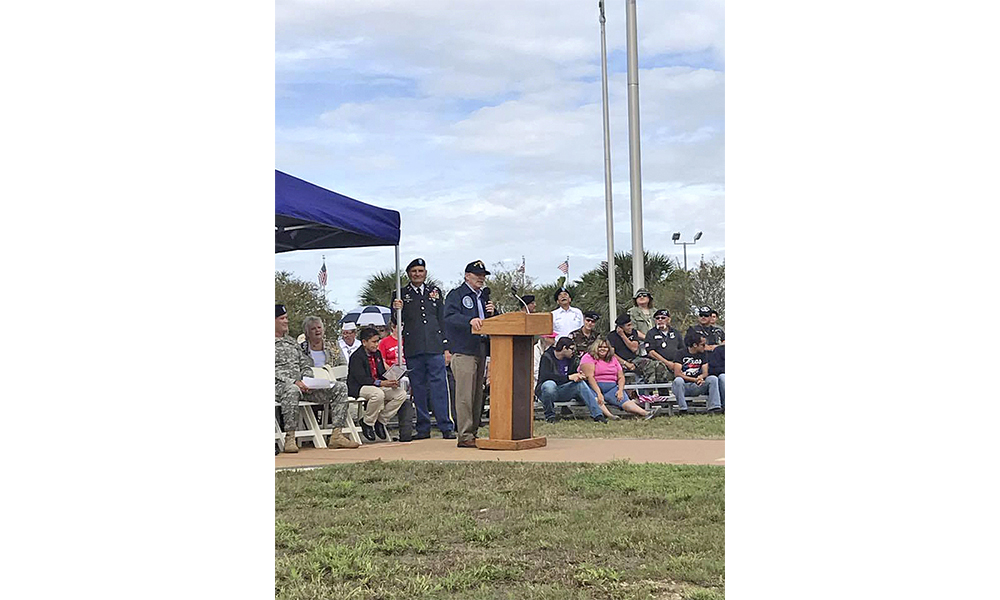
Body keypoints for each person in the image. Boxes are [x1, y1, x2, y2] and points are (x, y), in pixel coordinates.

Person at [275, 305, 358, 453]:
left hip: (302, 384)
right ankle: (290, 438)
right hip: (280, 385)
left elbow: (304, 363)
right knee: (292, 390)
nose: (286, 321)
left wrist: (308, 379)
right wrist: (294, 382)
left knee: (339, 388)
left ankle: (336, 435)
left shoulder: (292, 343)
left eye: (286, 318)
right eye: (282, 319)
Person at [390, 257, 456, 440]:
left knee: (439, 387)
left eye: (420, 271)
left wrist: (446, 346)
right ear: (408, 274)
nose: (417, 274)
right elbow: (396, 321)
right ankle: (423, 427)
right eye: (414, 271)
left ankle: (446, 426)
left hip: (434, 346)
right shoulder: (400, 293)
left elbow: (441, 319)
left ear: (425, 273)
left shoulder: (434, 291)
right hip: (414, 347)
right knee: (418, 388)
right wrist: (397, 309)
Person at [444, 260, 496, 448]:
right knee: (465, 394)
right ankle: (464, 434)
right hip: (463, 349)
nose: (481, 278)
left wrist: (493, 312)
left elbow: (490, 322)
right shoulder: (457, 295)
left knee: (477, 394)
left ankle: (473, 431)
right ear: (467, 276)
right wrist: (469, 320)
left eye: (483, 275)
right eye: (477, 275)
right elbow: (449, 318)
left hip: (481, 347)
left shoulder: (483, 297)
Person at [347, 326, 410, 441]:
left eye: (378, 342)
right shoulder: (356, 357)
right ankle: (368, 422)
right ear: (364, 342)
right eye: (374, 342)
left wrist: (391, 380)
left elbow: (380, 372)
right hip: (360, 387)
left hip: (377, 385)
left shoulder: (377, 354)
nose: (376, 345)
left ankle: (381, 420)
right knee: (378, 394)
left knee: (401, 394)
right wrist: (382, 383)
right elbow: (362, 379)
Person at [579, 338, 660, 420]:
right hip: (593, 387)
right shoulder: (588, 357)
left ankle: (646, 413)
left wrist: (620, 390)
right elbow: (590, 377)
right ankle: (610, 416)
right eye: (600, 347)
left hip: (611, 387)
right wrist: (599, 393)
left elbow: (621, 376)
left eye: (605, 347)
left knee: (624, 400)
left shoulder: (613, 359)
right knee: (596, 399)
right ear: (595, 347)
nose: (602, 349)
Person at [536, 337, 607, 423]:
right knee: (549, 385)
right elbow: (545, 376)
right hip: (546, 393)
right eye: (571, 349)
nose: (573, 352)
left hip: (563, 390)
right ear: (564, 348)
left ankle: (598, 415)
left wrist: (578, 376)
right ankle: (550, 416)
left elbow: (573, 374)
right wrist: (569, 377)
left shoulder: (571, 359)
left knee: (580, 384)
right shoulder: (547, 357)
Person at [608, 314, 671, 389]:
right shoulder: (612, 336)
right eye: (628, 325)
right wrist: (625, 363)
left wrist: (623, 336)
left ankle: (658, 392)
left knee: (657, 365)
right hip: (620, 362)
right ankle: (646, 392)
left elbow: (634, 348)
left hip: (634, 359)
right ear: (620, 327)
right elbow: (612, 354)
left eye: (631, 325)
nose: (630, 327)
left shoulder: (633, 332)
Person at [671, 333, 723, 414]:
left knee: (713, 379)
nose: (705, 347)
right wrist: (694, 379)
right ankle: (683, 409)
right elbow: (677, 373)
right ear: (695, 345)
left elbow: (705, 372)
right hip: (684, 386)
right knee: (678, 380)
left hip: (698, 384)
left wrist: (701, 377)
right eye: (702, 345)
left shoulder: (703, 354)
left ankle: (714, 407)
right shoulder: (680, 353)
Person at [643, 309, 684, 378]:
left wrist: (677, 364)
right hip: (659, 364)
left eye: (663, 318)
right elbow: (651, 352)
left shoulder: (676, 333)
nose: (660, 320)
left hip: (675, 363)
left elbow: (682, 349)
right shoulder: (651, 333)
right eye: (657, 318)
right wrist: (667, 363)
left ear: (669, 319)